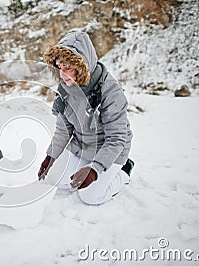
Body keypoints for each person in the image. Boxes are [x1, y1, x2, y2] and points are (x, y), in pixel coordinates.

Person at [38, 31, 134, 205]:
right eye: (60, 67)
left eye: (67, 67)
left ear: (82, 66)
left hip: (111, 150)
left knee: (90, 197)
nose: (62, 74)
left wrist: (94, 170)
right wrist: (50, 156)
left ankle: (124, 171)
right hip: (83, 146)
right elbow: (63, 131)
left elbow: (117, 139)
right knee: (56, 180)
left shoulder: (110, 91)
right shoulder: (65, 90)